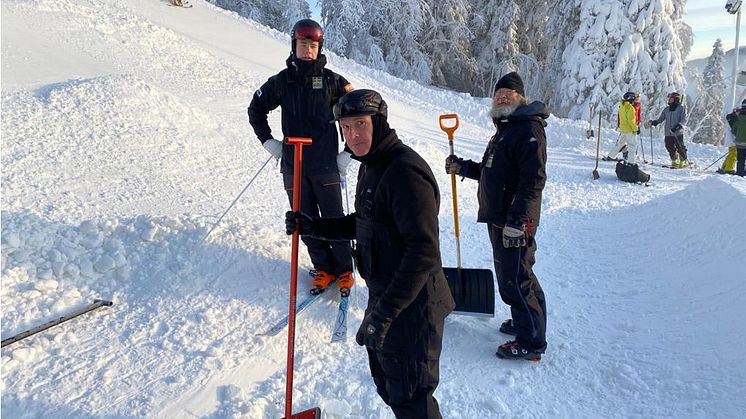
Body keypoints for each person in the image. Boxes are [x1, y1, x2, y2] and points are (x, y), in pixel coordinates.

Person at [285, 89, 455, 418]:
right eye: (346, 128)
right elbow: (365, 222)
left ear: (378, 122)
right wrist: (314, 226)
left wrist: (384, 315)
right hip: (388, 294)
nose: (353, 135)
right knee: (390, 385)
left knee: (411, 396)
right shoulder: (371, 165)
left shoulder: (404, 173)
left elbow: (423, 253)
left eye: (360, 124)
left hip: (414, 305)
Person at [444, 72, 548, 361]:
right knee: (517, 274)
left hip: (513, 221)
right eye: (499, 93)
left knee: (516, 279)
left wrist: (518, 221)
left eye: (509, 93)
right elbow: (493, 173)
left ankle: (531, 342)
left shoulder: (527, 129)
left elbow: (533, 181)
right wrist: (462, 167)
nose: (502, 97)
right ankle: (525, 321)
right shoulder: (506, 129)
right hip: (501, 218)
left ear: (521, 98)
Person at [248, 19, 355, 295]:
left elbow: (358, 112)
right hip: (292, 164)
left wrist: (348, 154)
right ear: (294, 45)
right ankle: (324, 268)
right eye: (303, 44)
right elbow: (256, 108)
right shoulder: (282, 81)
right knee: (302, 220)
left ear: (319, 49)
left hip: (325, 164)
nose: (308, 50)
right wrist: (269, 142)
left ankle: (344, 269)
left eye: (313, 45)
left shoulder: (332, 81)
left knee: (333, 218)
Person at [649, 92, 688, 167]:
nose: (669, 100)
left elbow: (684, 119)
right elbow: (661, 119)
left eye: (671, 98)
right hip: (668, 132)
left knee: (680, 146)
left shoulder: (681, 108)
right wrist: (655, 122)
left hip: (677, 132)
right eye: (669, 98)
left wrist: (678, 126)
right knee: (669, 146)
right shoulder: (667, 109)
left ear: (676, 99)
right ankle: (674, 160)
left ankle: (683, 161)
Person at [606, 92, 640, 163]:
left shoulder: (622, 106)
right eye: (633, 99)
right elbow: (631, 121)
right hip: (630, 130)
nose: (634, 100)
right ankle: (631, 162)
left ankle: (611, 156)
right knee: (632, 146)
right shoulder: (630, 108)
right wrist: (636, 129)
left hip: (623, 129)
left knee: (620, 144)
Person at [719, 107, 739, 175]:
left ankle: (724, 167)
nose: (738, 112)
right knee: (733, 154)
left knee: (731, 154)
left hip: (731, 139)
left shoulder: (732, 118)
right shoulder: (734, 119)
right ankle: (729, 169)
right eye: (737, 110)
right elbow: (735, 131)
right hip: (733, 140)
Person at [734, 100, 746, 176]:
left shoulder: (739, 118)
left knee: (740, 160)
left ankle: (739, 173)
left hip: (740, 143)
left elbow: (734, 130)